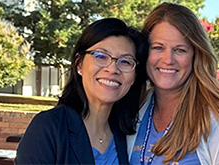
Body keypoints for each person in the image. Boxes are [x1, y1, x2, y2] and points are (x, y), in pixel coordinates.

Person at [16, 18, 148, 164]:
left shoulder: (126, 136)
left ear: (134, 77)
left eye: (125, 61)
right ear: (79, 64)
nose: (112, 69)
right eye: (101, 56)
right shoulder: (49, 127)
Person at [126, 3, 219, 164]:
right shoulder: (134, 107)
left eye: (180, 50)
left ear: (196, 55)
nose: (168, 60)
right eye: (158, 47)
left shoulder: (218, 117)